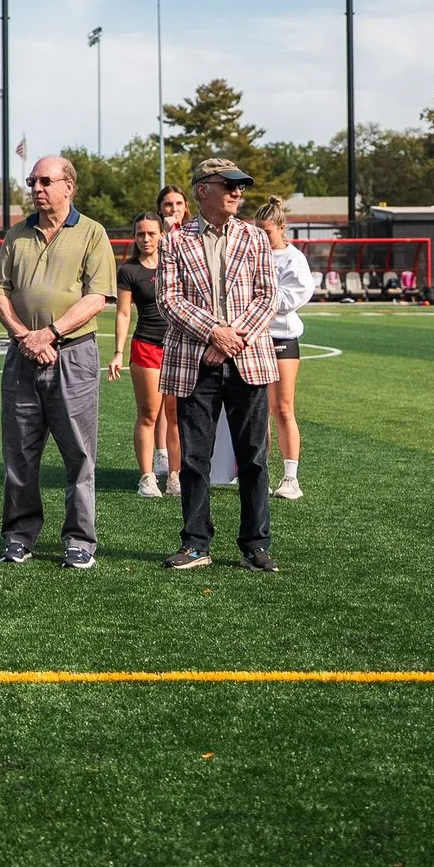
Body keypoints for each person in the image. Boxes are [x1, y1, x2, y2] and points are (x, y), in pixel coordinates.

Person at [0, 156, 117, 569]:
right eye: (32, 181)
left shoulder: (93, 234)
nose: (37, 188)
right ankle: (19, 535)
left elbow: (97, 297)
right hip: (22, 353)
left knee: (79, 453)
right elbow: (0, 293)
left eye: (45, 181)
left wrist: (51, 333)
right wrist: (24, 335)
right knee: (20, 453)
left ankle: (80, 540)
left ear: (69, 186)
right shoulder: (16, 235)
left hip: (73, 355)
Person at [158, 159, 281, 572]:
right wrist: (214, 333)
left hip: (247, 359)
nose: (237, 192)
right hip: (195, 362)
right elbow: (169, 300)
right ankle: (195, 544)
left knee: (255, 457)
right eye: (228, 184)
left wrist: (231, 339)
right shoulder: (174, 242)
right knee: (194, 458)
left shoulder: (255, 237)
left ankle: (255, 545)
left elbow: (268, 297)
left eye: (241, 185)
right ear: (202, 190)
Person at [110, 209, 181, 499]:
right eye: (140, 234)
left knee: (176, 416)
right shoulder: (129, 270)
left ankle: (176, 476)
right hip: (146, 348)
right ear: (134, 237)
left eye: (152, 233)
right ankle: (147, 477)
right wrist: (117, 351)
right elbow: (124, 313)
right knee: (149, 415)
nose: (146, 238)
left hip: (177, 348)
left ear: (161, 235)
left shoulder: (175, 264)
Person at [253, 197, 317, 502]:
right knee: (257, 412)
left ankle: (291, 477)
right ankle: (257, 473)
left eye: (266, 231)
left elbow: (296, 296)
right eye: (258, 231)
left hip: (281, 340)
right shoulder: (252, 254)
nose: (262, 237)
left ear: (280, 227)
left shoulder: (294, 258)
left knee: (282, 408)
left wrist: (263, 302)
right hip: (252, 340)